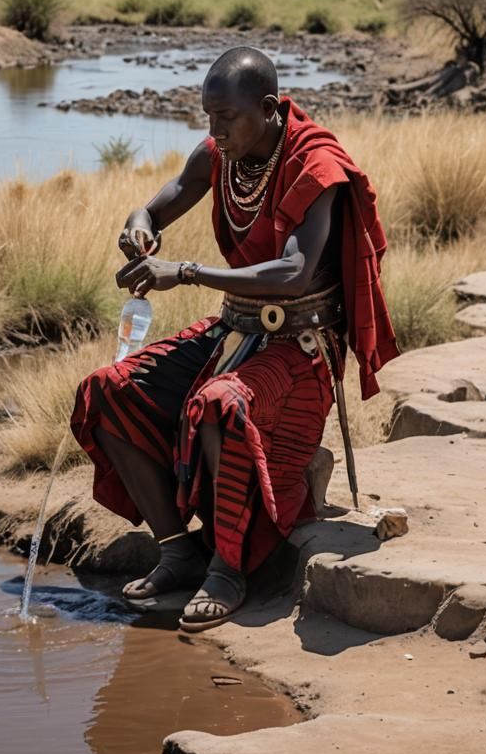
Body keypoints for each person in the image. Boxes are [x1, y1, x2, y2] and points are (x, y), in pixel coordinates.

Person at [70, 46, 398, 632]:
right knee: (108, 389)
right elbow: (163, 199)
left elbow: (295, 273)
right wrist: (139, 224)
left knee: (222, 404)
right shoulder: (224, 153)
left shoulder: (314, 166)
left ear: (269, 110)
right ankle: (178, 550)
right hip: (234, 330)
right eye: (208, 118)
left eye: (226, 118)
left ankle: (228, 566)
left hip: (299, 348)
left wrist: (188, 272)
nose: (215, 131)